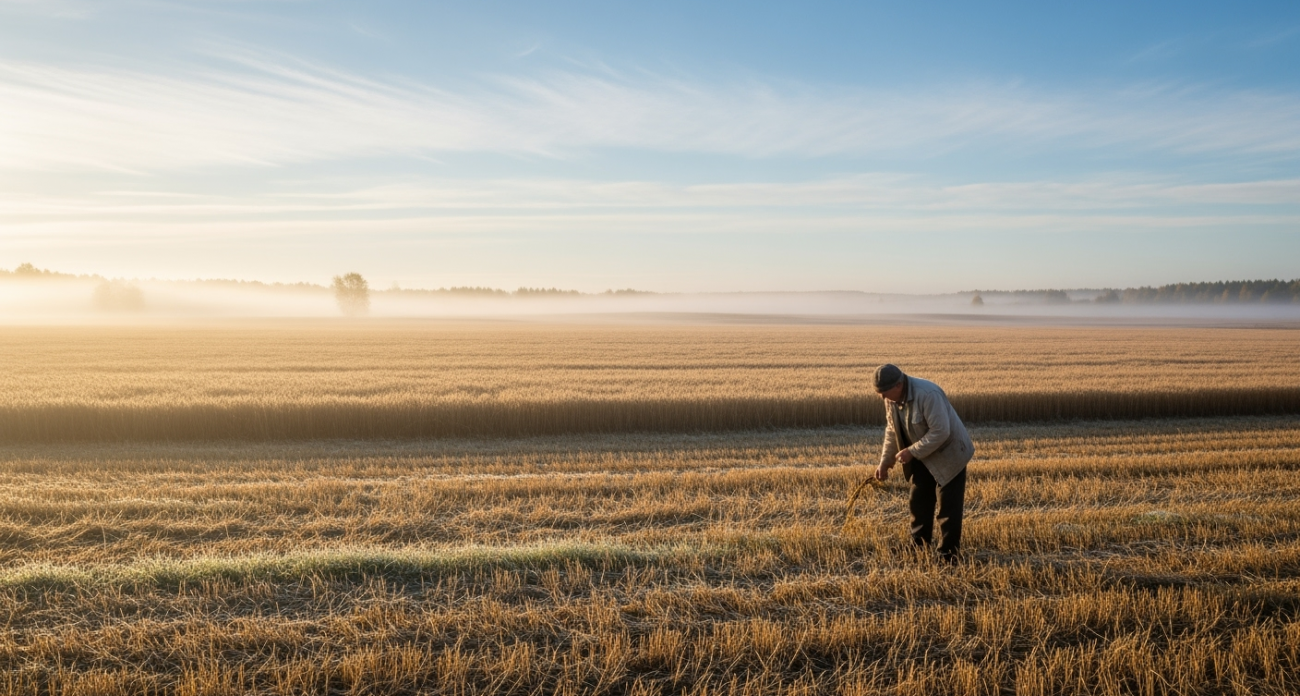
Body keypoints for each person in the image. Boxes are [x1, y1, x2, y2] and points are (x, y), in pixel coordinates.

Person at [872, 364, 974, 562]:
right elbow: (892, 430)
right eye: (879, 394)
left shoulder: (928, 394)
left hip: (950, 453)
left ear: (899, 384)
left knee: (948, 509)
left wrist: (912, 451)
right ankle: (918, 546)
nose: (883, 398)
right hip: (922, 455)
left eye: (885, 393)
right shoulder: (891, 399)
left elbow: (941, 432)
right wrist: (885, 462)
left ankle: (948, 555)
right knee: (918, 501)